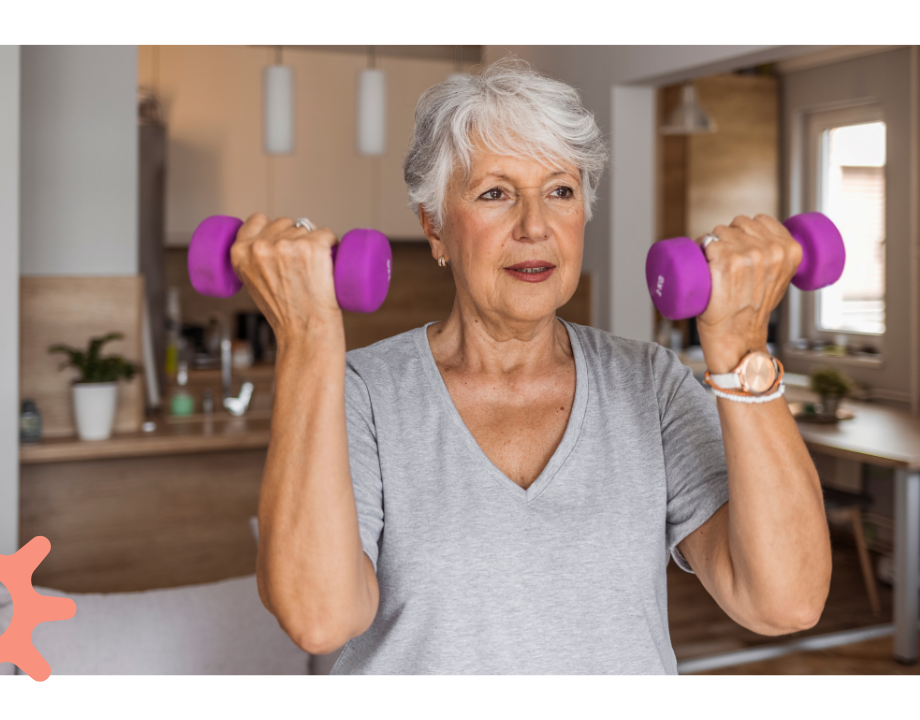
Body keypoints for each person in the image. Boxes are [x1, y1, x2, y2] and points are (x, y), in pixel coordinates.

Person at [233, 58, 831, 674]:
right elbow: (320, 617)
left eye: (560, 191)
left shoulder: (650, 384)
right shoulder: (363, 392)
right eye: (495, 193)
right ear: (434, 227)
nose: (535, 226)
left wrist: (739, 345)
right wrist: (306, 337)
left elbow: (786, 602)